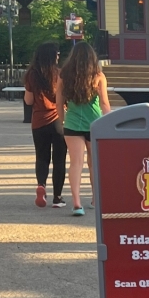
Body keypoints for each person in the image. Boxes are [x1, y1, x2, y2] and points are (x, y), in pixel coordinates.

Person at [56, 42, 110, 217]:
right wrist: (109, 121)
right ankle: (95, 199)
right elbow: (104, 103)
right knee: (94, 163)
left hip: (72, 124)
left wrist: (62, 121)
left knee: (75, 163)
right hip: (94, 123)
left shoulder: (64, 76)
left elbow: (58, 103)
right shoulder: (98, 76)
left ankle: (77, 203)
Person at [24, 42, 66, 208]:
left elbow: (28, 100)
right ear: (51, 56)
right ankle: (57, 197)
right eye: (57, 53)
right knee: (59, 159)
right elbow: (64, 99)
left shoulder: (31, 75)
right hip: (58, 120)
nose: (58, 56)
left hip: (38, 122)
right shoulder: (60, 75)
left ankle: (41, 185)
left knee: (42, 157)